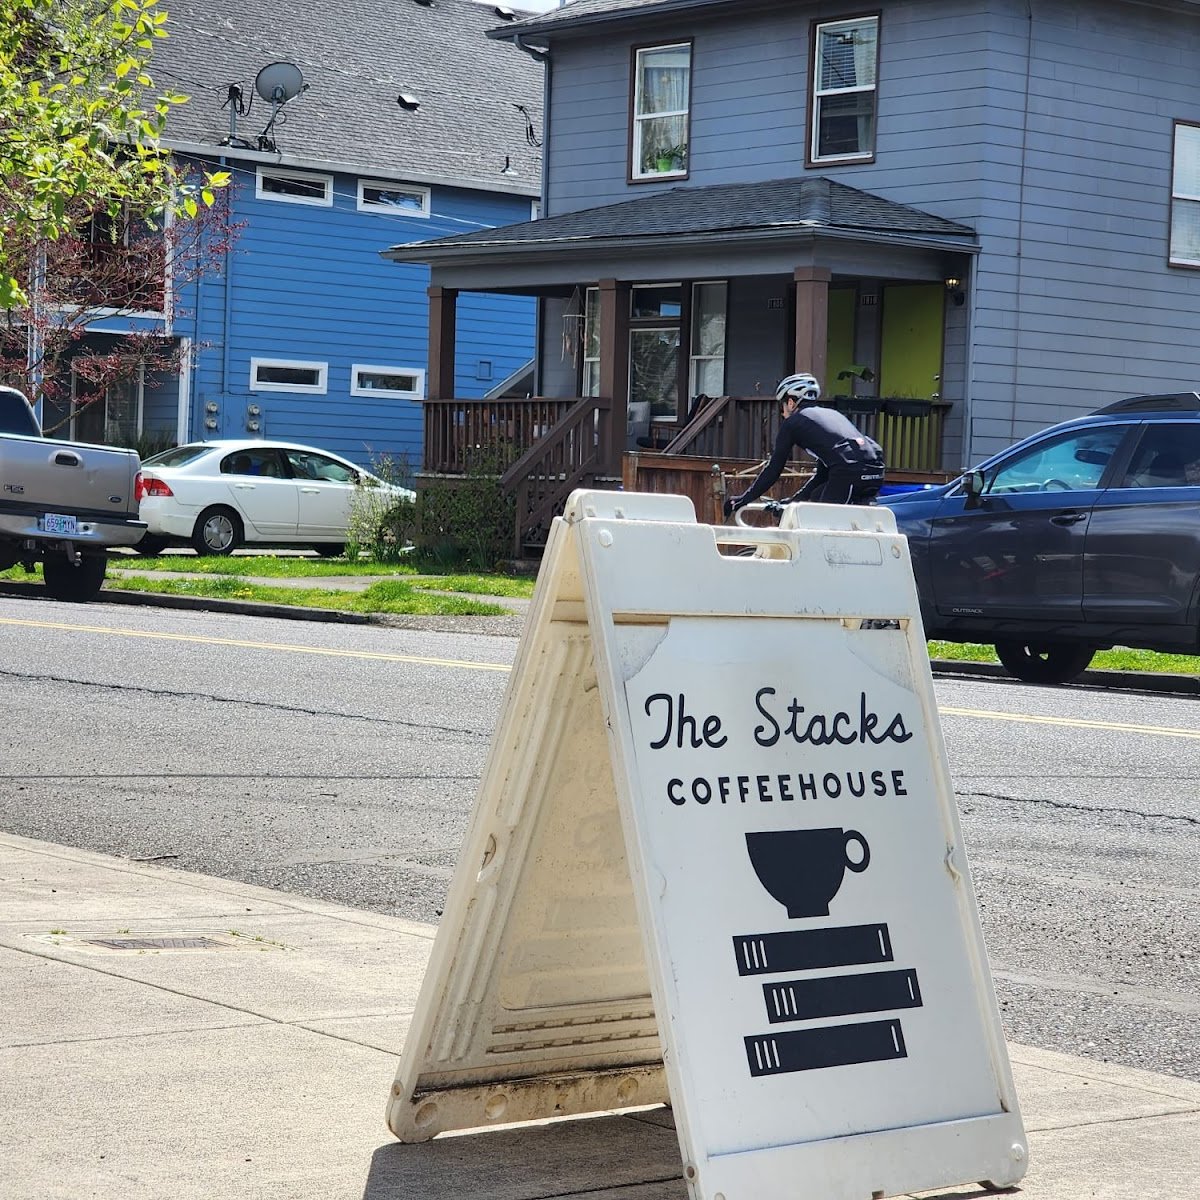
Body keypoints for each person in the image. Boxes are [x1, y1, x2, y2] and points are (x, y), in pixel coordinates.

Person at [723, 372, 886, 517]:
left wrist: (743, 499)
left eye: (782, 405)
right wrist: (794, 501)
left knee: (821, 526)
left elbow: (773, 470)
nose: (782, 412)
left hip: (848, 472)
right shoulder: (830, 415)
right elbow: (822, 475)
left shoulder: (794, 422)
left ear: (791, 402)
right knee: (816, 496)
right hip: (875, 471)